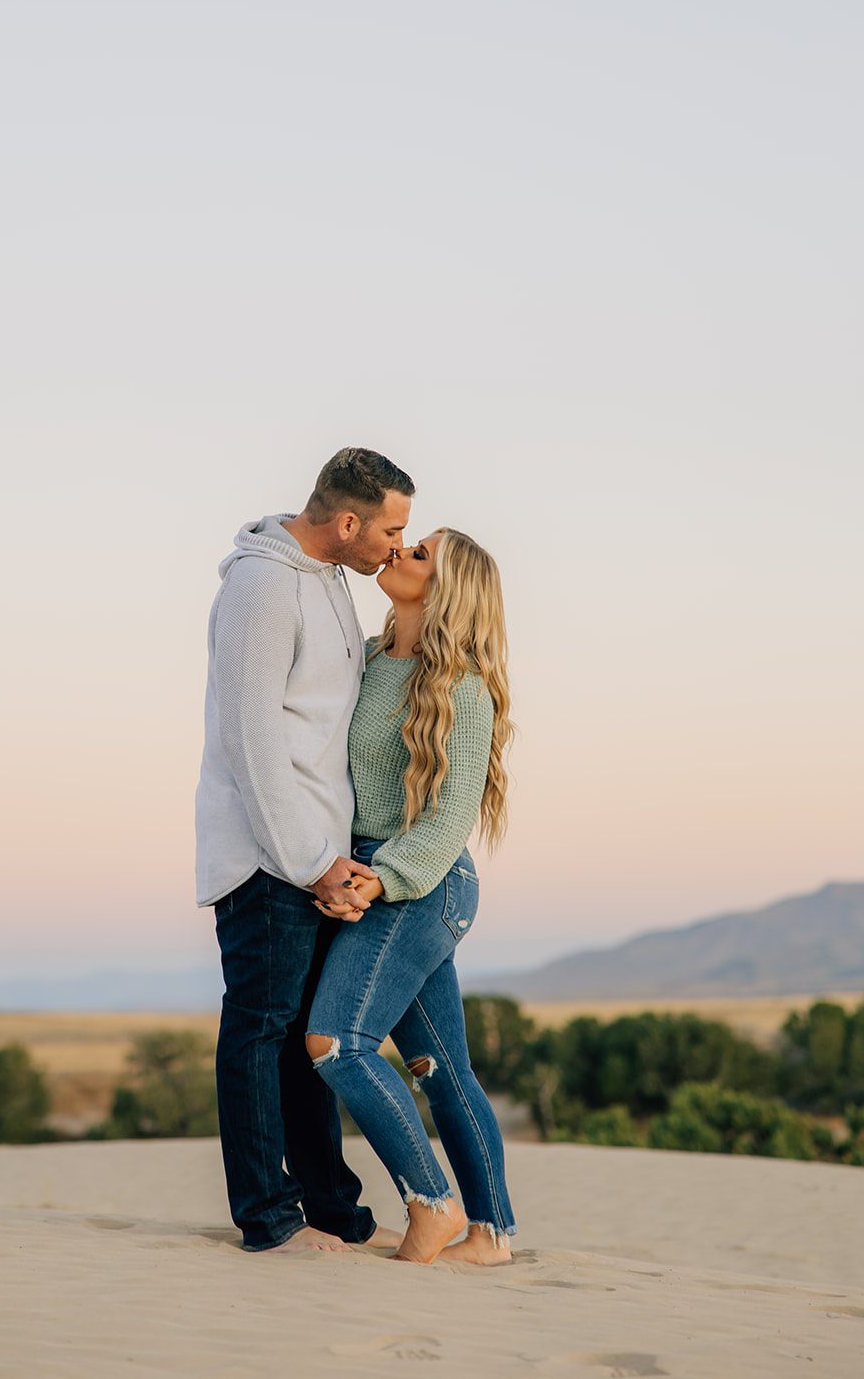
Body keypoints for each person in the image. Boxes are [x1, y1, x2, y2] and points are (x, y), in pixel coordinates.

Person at [194, 446, 415, 1253]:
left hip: (320, 855)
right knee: (260, 1031)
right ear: (347, 520)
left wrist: (340, 858)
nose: (398, 544)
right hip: (264, 857)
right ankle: (269, 1219)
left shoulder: (327, 586)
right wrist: (309, 860)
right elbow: (252, 740)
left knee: (307, 1041)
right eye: (391, 527)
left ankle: (331, 1210)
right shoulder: (259, 586)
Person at [305, 527, 516, 1265]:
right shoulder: (365, 660)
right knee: (440, 1071)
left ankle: (433, 1203)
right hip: (366, 875)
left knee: (336, 1043)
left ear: (446, 589)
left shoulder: (458, 684)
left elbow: (451, 815)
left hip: (422, 883)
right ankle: (491, 1238)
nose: (400, 552)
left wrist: (381, 877)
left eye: (418, 553)